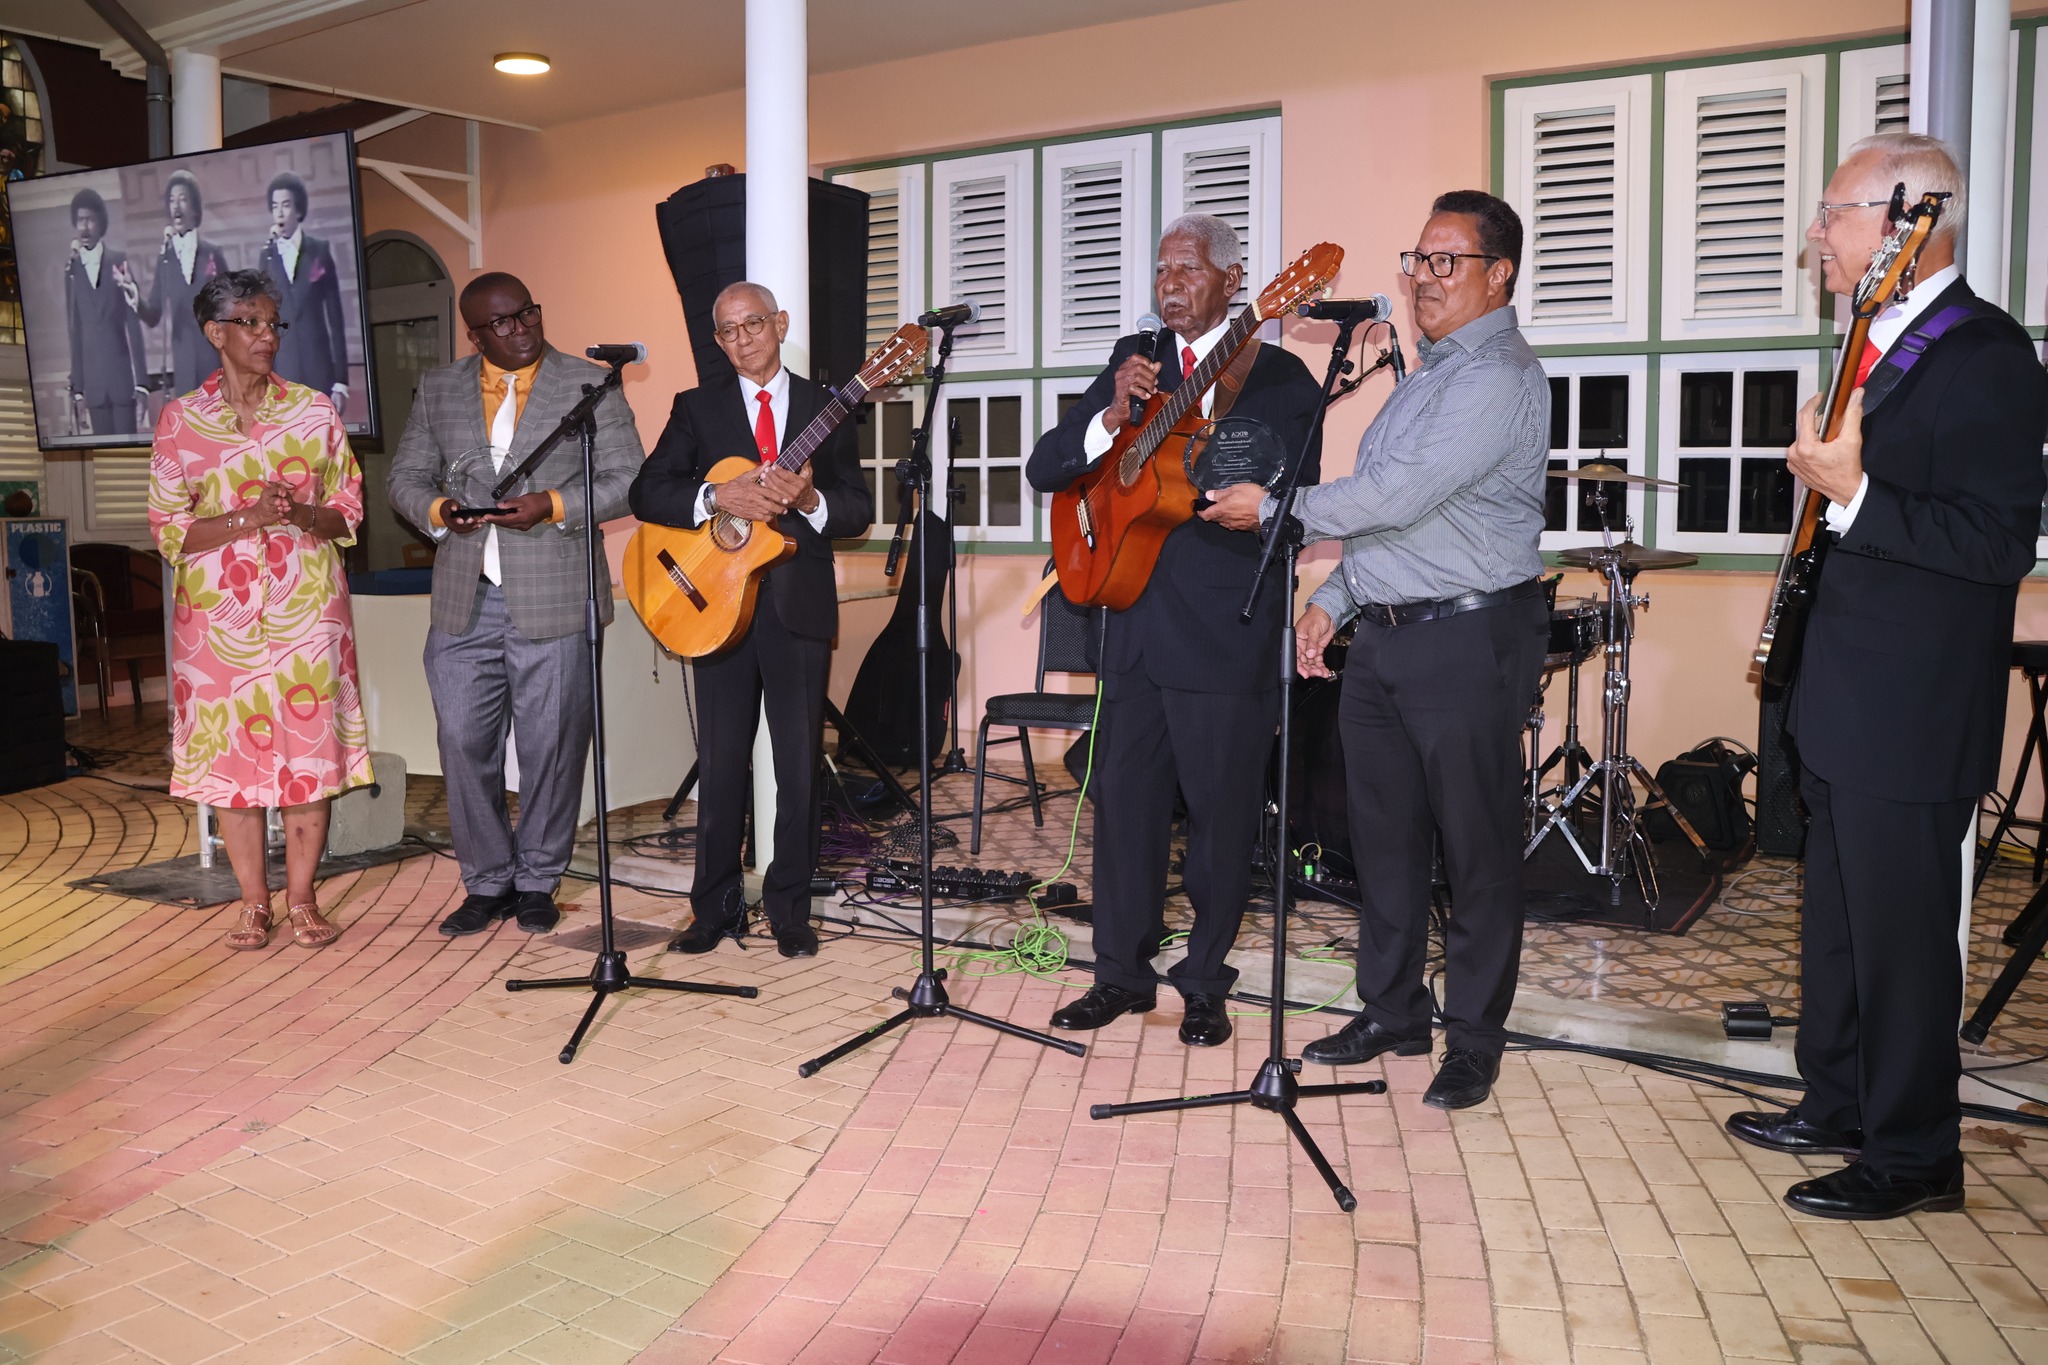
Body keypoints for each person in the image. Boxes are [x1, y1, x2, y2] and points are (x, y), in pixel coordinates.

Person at [1720, 134, 2047, 1220]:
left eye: (1830, 213)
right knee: (1838, 919)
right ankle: (1835, 1103)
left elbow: (1997, 544)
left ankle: (1912, 1156)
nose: (1813, 235)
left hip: (1910, 707)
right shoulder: (1878, 337)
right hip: (1841, 693)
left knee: (1904, 939)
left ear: (1908, 222)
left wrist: (1855, 492)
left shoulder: (1984, 352)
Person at [1204, 189, 1548, 1109]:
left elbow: (1395, 495)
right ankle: (1393, 1009)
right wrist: (1337, 599)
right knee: (1383, 840)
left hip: (1469, 634)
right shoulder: (1427, 375)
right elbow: (1391, 517)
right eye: (1418, 260)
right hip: (1391, 636)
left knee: (1475, 849)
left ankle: (1473, 1039)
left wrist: (1276, 512)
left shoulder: (1498, 375)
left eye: (1446, 262)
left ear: (1498, 274)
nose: (1424, 279)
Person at [1025, 214, 1322, 1048]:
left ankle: (1203, 981)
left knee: (1223, 820)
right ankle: (1119, 975)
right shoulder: (1138, 359)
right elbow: (1049, 466)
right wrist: (1111, 417)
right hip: (1130, 627)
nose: (1170, 282)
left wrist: (1227, 489)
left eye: (1188, 268)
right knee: (1124, 808)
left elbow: (1291, 510)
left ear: (1235, 281)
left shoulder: (1280, 380)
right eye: (1162, 268)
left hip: (1224, 634)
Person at [387, 272, 645, 937]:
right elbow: (406, 477)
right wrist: (439, 511)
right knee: (462, 741)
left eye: (527, 312)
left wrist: (554, 506)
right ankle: (487, 880)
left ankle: (536, 878)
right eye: (501, 323)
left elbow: (629, 478)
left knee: (551, 746)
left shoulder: (591, 384)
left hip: (557, 595)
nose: (521, 327)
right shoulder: (441, 388)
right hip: (462, 600)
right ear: (474, 334)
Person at [628, 282, 872, 958]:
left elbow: (858, 508)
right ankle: (714, 909)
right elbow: (646, 490)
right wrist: (714, 496)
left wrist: (814, 497)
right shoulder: (696, 408)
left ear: (780, 323)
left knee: (798, 767)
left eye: (754, 325)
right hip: (713, 604)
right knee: (723, 762)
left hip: (797, 610)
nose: (743, 340)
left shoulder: (828, 406)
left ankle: (790, 907)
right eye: (729, 331)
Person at [148, 269, 372, 950]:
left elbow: (350, 510)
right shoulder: (180, 421)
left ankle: (302, 900)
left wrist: (301, 512)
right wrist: (247, 517)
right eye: (251, 322)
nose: (267, 334)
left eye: (274, 322)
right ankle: (253, 902)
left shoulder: (314, 412)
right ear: (216, 333)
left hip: (307, 612)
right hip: (218, 624)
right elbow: (167, 529)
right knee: (232, 764)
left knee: (308, 756)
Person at [122, 170, 231, 398]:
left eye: (182, 199)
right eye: (172, 200)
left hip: (215, 363)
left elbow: (232, 308)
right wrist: (134, 296)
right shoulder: (166, 259)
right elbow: (153, 315)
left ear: (194, 207)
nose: (176, 206)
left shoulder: (213, 254)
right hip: (183, 370)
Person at [257, 172, 349, 417]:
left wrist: (340, 381)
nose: (279, 213)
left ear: (298, 210)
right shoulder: (266, 256)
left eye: (285, 205)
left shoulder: (319, 251)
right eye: (274, 206)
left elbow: (336, 320)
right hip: (281, 373)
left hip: (319, 369)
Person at [64, 188, 147, 438]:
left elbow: (134, 326)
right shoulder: (72, 272)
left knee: (128, 458)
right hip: (94, 387)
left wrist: (142, 382)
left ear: (101, 223)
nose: (85, 227)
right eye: (80, 221)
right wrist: (79, 388)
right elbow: (75, 332)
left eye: (90, 220)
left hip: (122, 383)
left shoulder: (119, 262)